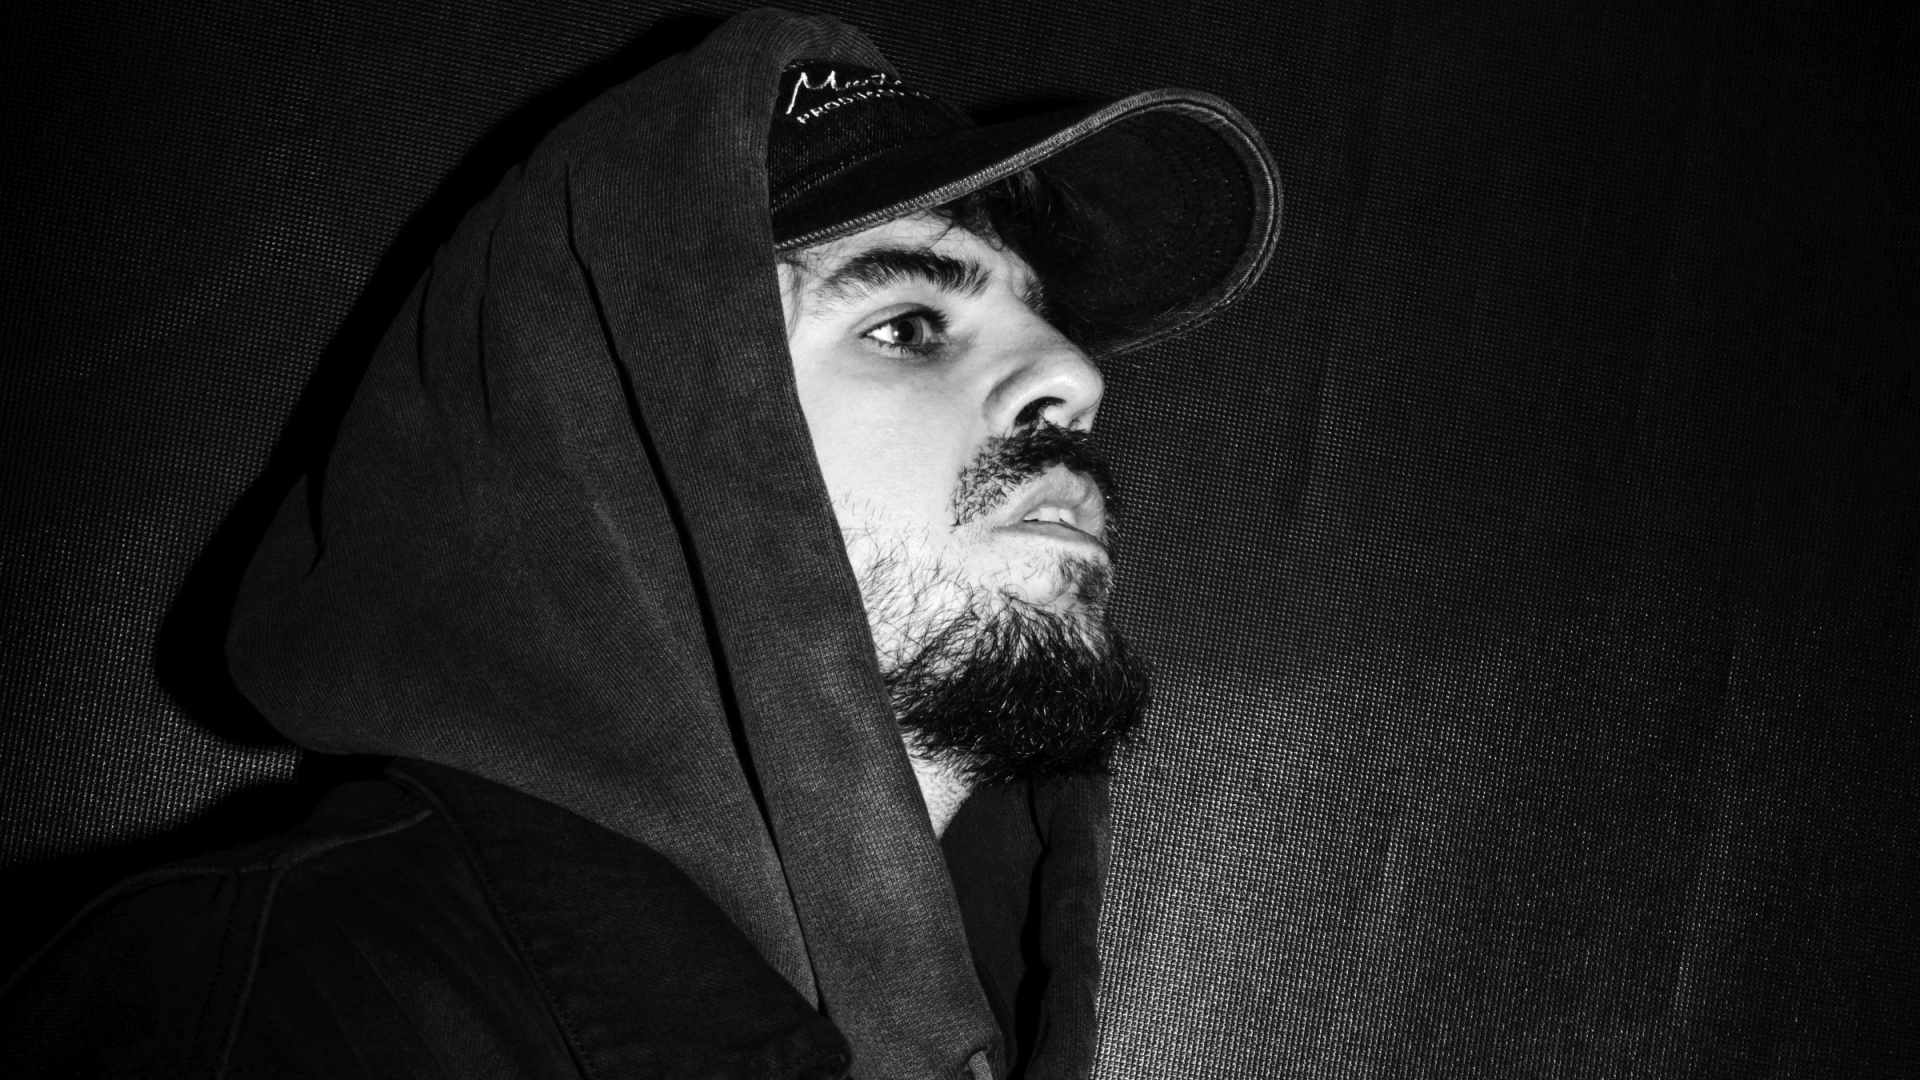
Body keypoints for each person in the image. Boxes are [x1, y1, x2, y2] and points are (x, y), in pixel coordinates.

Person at [0, 8, 1278, 1078]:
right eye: (904, 328)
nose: (1073, 377)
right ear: (622, 444)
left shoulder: (983, 1016)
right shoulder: (265, 1008)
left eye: (1047, 321)